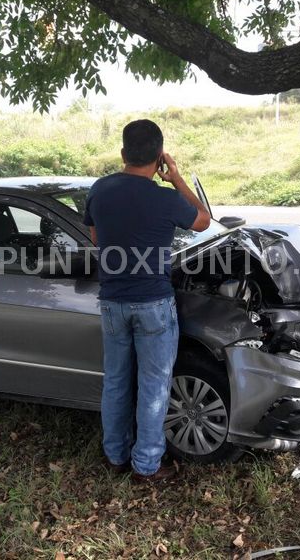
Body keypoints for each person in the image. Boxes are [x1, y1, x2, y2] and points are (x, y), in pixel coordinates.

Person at [83, 119, 211, 482]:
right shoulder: (166, 197)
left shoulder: (99, 190)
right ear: (159, 158)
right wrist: (177, 178)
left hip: (112, 303)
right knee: (154, 386)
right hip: (153, 304)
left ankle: (115, 455)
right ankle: (147, 465)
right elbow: (203, 221)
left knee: (116, 381)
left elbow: (97, 239)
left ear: (123, 154)